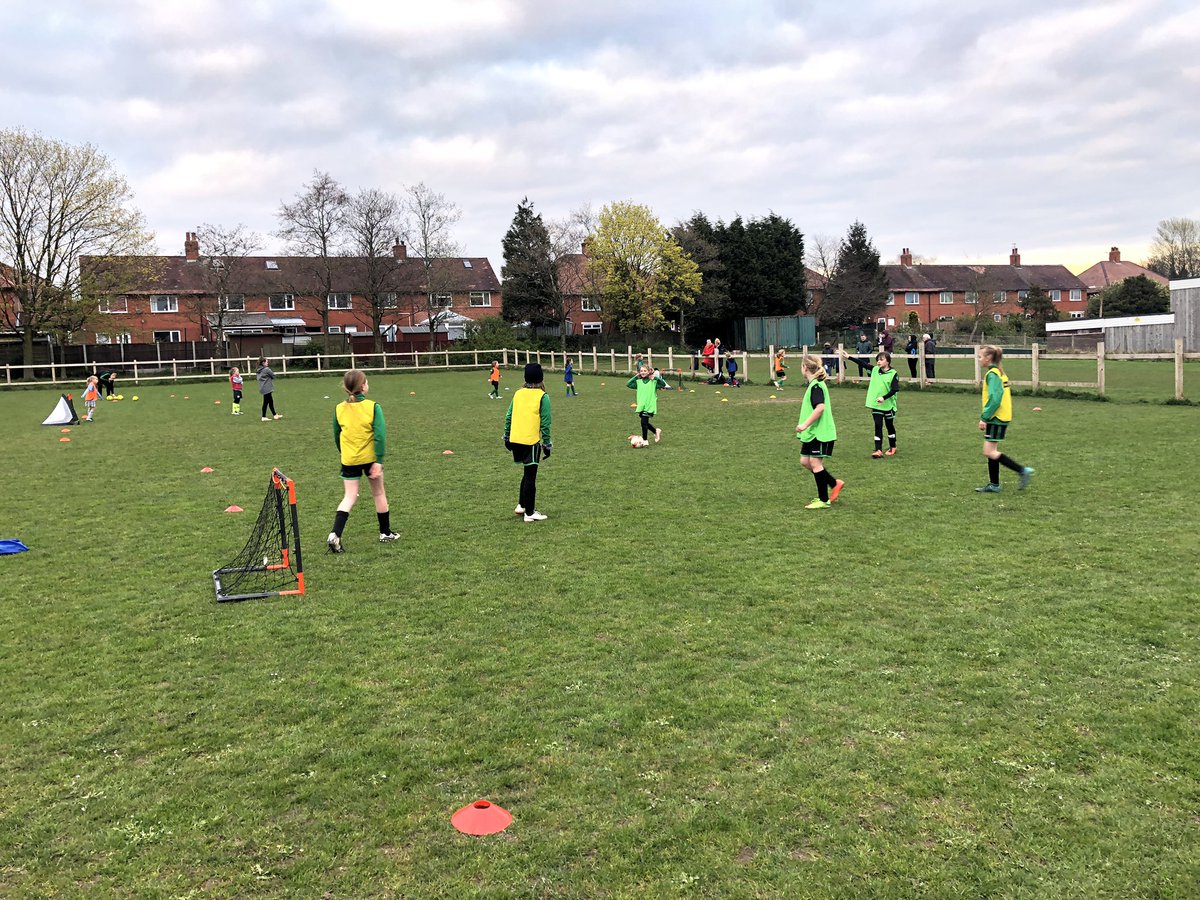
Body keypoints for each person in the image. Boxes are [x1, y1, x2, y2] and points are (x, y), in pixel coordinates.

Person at [326, 369, 399, 552]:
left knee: (349, 497)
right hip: (370, 459)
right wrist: (379, 460)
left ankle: (335, 534)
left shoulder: (339, 408)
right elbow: (380, 436)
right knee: (378, 494)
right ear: (363, 386)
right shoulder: (373, 407)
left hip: (349, 459)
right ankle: (385, 532)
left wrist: (344, 453)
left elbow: (337, 435)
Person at [976, 345, 1034, 493]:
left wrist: (984, 417)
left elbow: (995, 398)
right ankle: (994, 484)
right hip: (1002, 417)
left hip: (996, 417)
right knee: (992, 451)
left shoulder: (992, 374)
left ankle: (1022, 470)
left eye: (980, 357)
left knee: (989, 452)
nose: (979, 360)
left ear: (988, 358)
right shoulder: (999, 372)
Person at [504, 363, 553, 522]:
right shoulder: (543, 397)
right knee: (531, 476)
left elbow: (508, 417)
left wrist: (506, 436)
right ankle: (530, 513)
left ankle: (522, 505)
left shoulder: (518, 393)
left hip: (515, 439)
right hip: (530, 441)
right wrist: (546, 444)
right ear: (541, 378)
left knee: (527, 472)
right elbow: (545, 424)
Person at [795, 355, 843, 509]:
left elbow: (820, 408)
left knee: (815, 463)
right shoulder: (813, 385)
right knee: (805, 461)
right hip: (812, 433)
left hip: (819, 432)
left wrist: (804, 425)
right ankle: (833, 483)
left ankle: (823, 500)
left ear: (805, 368)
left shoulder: (816, 386)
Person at [842, 349, 900, 457]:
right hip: (876, 405)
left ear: (888, 361)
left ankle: (893, 446)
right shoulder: (875, 370)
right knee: (878, 425)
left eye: (881, 360)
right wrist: (849, 357)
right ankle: (878, 450)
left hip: (888, 406)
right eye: (877, 360)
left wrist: (884, 397)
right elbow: (862, 364)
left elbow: (895, 389)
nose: (878, 362)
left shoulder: (893, 374)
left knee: (889, 426)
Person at [627, 363, 670, 443]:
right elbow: (628, 384)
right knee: (645, 422)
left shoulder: (653, 382)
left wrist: (656, 378)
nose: (643, 372)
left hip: (650, 405)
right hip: (641, 405)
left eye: (645, 371)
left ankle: (645, 441)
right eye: (641, 371)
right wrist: (636, 376)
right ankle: (655, 431)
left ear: (649, 371)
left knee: (643, 422)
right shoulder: (638, 382)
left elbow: (663, 384)